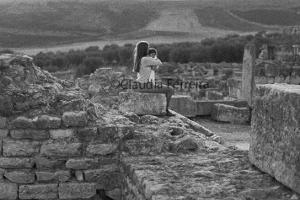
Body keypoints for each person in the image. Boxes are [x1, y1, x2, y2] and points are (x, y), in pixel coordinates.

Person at [132, 41, 175, 116]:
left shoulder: (139, 59)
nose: (149, 49)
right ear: (145, 49)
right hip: (145, 86)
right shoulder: (145, 59)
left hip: (139, 85)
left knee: (164, 88)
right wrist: (154, 56)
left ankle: (163, 107)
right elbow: (159, 62)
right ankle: (166, 110)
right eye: (148, 48)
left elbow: (153, 68)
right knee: (170, 89)